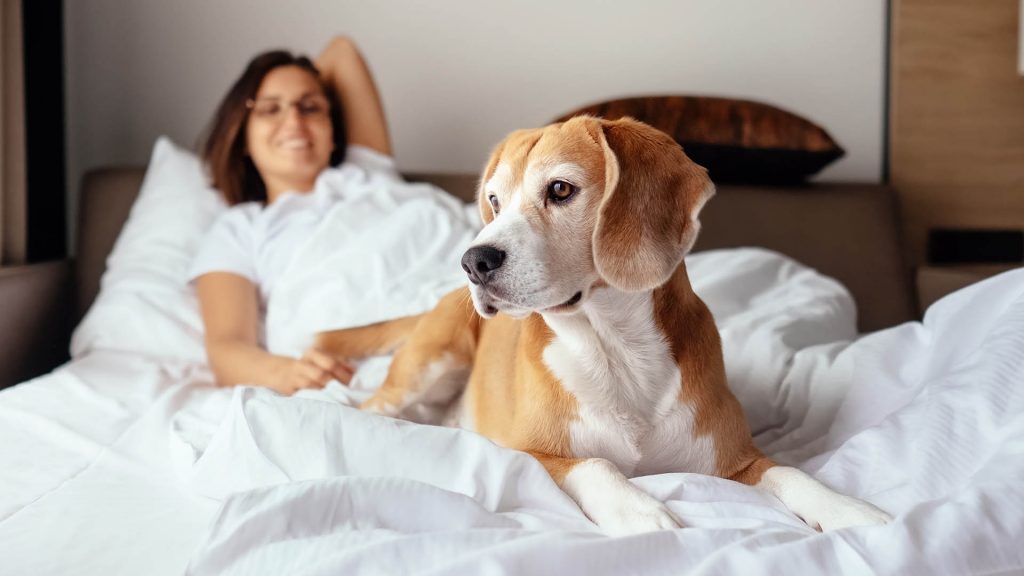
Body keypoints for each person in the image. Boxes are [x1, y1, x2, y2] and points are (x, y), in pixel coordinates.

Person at [189, 36, 392, 395]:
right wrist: (288, 373)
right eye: (270, 110)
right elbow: (226, 347)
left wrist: (292, 82)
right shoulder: (240, 228)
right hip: (356, 365)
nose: (294, 120)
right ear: (243, 137)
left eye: (310, 107)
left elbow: (342, 51)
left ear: (332, 132)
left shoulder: (369, 175)